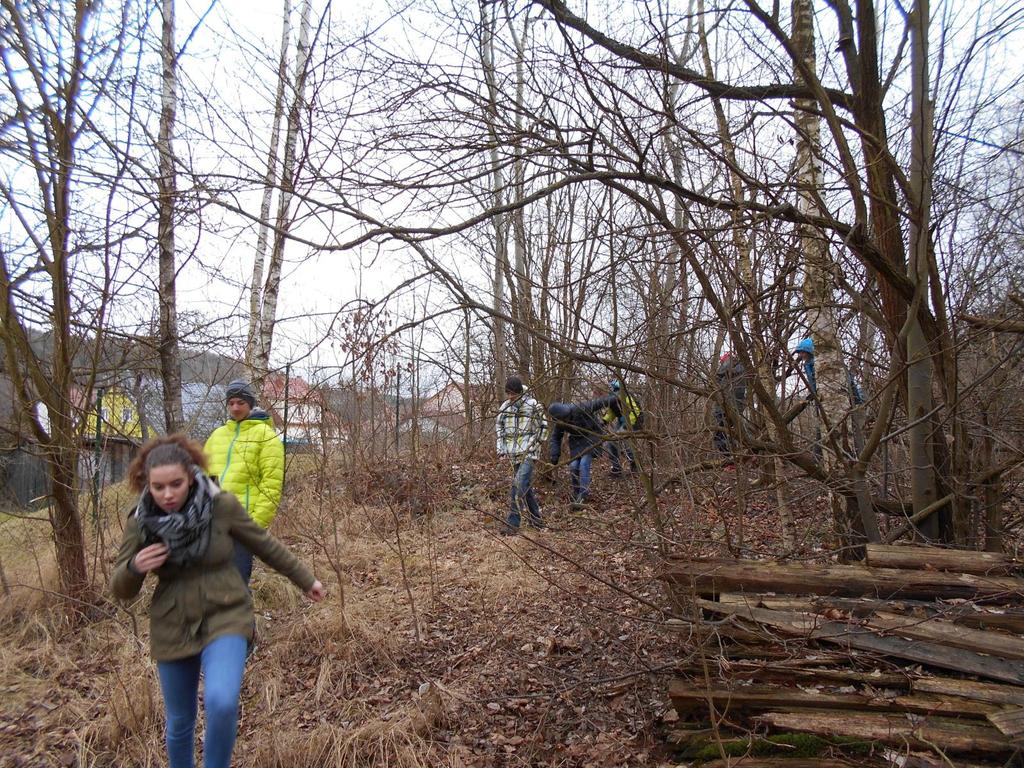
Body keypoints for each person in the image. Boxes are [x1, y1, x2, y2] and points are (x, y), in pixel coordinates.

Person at [110, 435, 325, 768]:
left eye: (176, 484)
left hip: (226, 613)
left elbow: (263, 543)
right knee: (181, 720)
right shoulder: (140, 521)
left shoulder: (220, 505)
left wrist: (305, 579)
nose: (168, 494)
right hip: (172, 624)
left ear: (192, 475)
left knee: (222, 702)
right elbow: (121, 589)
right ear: (147, 484)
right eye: (158, 487)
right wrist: (136, 567)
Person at [204, 379, 284, 586]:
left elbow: (271, 485)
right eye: (231, 403)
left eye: (240, 402)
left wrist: (255, 526)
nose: (235, 407)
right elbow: (202, 478)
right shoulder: (217, 435)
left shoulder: (266, 436)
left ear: (250, 403)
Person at [495, 375, 548, 534]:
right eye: (508, 394)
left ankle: (513, 525)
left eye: (513, 394)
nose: (510, 397)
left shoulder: (533, 406)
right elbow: (500, 429)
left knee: (517, 485)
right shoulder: (504, 407)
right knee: (524, 486)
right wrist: (501, 450)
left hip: (529, 454)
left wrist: (533, 445)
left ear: (520, 392)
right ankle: (536, 520)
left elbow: (543, 428)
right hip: (513, 454)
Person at [548, 393, 619, 508]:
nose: (567, 419)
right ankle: (576, 493)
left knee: (584, 463)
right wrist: (554, 455)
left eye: (568, 417)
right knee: (573, 466)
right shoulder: (559, 423)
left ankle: (583, 495)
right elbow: (555, 438)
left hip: (592, 437)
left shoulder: (580, 408)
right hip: (576, 443)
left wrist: (615, 399)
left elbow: (599, 403)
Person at [792, 338, 864, 404]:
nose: (801, 355)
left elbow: (848, 380)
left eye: (803, 352)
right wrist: (814, 393)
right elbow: (812, 381)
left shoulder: (817, 363)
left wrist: (857, 399)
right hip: (822, 395)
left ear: (809, 352)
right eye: (800, 353)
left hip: (835, 394)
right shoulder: (808, 365)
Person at [712, 352, 749, 467]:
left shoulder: (730, 366)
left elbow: (717, 377)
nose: (722, 364)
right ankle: (742, 458)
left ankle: (731, 462)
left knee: (720, 435)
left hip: (726, 407)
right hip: (736, 406)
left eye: (722, 362)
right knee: (733, 434)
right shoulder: (743, 369)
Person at [603, 379, 642, 475]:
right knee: (611, 442)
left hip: (634, 421)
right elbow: (612, 412)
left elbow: (636, 411)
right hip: (622, 421)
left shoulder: (625, 396)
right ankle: (616, 468)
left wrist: (627, 425)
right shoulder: (611, 397)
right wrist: (604, 421)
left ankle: (635, 465)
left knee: (625, 442)